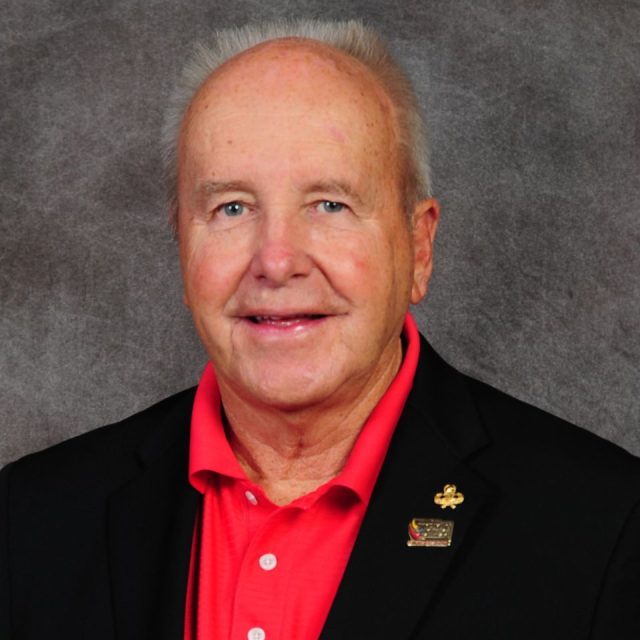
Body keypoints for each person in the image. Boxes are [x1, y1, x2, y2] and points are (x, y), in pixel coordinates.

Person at [1, 19, 639, 640]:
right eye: (231, 207)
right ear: (181, 244)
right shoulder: (28, 521)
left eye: (329, 204)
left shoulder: (605, 527)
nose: (277, 260)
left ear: (418, 248)